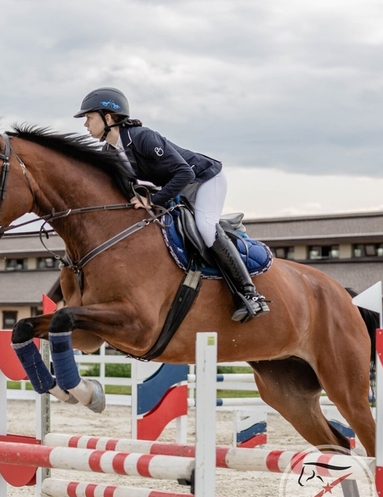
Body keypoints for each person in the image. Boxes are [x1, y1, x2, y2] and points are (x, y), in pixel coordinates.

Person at [74, 87, 269, 323]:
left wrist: (153, 200)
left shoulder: (143, 137)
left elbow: (184, 173)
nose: (85, 124)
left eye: (89, 117)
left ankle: (250, 294)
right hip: (179, 188)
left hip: (204, 179)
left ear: (108, 117)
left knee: (206, 228)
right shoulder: (111, 151)